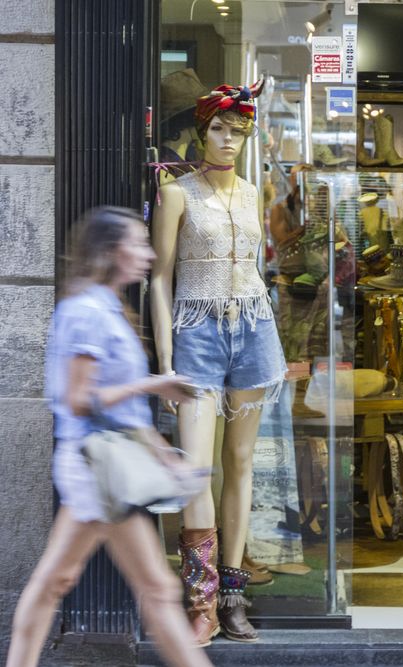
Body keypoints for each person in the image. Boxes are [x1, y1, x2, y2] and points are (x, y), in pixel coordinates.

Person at [4, 208, 213, 667]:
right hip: (96, 467)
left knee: (63, 580)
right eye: (138, 243)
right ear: (110, 251)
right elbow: (81, 399)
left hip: (102, 466)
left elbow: (120, 408)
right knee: (151, 588)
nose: (149, 254)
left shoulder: (105, 307)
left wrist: (163, 454)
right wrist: (154, 385)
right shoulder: (88, 312)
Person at [151, 81, 286, 645]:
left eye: (238, 132)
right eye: (219, 129)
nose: (228, 140)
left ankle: (233, 597)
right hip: (197, 333)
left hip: (253, 328)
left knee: (242, 462)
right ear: (202, 131)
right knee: (197, 468)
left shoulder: (254, 193)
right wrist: (165, 361)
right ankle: (201, 603)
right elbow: (160, 277)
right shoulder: (177, 194)